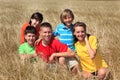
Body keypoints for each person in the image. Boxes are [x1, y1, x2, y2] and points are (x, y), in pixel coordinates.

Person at [53, 9, 79, 73]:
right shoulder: (59, 28)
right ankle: (64, 75)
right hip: (62, 52)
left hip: (72, 52)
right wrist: (41, 38)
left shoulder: (74, 28)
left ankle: (71, 76)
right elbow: (52, 36)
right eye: (65, 18)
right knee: (62, 60)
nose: (68, 20)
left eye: (69, 17)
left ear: (72, 18)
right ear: (62, 19)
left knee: (77, 66)